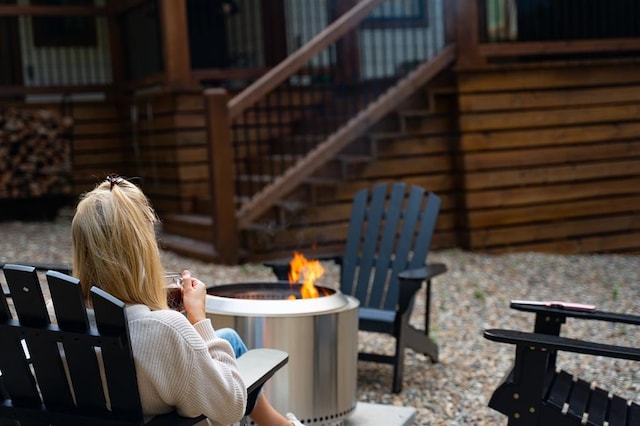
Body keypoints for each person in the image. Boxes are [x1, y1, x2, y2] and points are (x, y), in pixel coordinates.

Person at [71, 175, 302, 426]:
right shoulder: (166, 330)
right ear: (141, 251)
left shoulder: (59, 319)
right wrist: (198, 318)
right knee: (225, 347)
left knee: (229, 341)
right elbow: (232, 406)